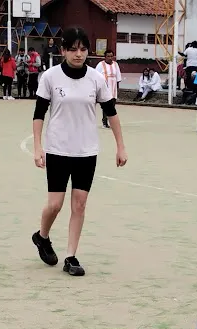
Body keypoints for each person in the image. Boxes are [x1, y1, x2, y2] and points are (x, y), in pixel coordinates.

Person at [31, 27, 128, 276]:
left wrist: (120, 145)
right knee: (55, 204)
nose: (78, 54)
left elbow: (111, 112)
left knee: (80, 205)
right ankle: (42, 236)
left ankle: (71, 256)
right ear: (63, 50)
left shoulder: (96, 79)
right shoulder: (50, 77)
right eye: (73, 49)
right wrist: (38, 147)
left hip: (86, 151)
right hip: (58, 149)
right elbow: (39, 114)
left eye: (83, 49)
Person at [94, 49, 121, 128]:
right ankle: (104, 122)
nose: (110, 58)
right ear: (105, 57)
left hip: (113, 90)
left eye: (111, 56)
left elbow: (118, 77)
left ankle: (110, 121)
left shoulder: (116, 64)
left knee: (112, 107)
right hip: (104, 89)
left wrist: (117, 89)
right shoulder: (100, 64)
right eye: (108, 56)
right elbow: (96, 76)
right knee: (106, 106)